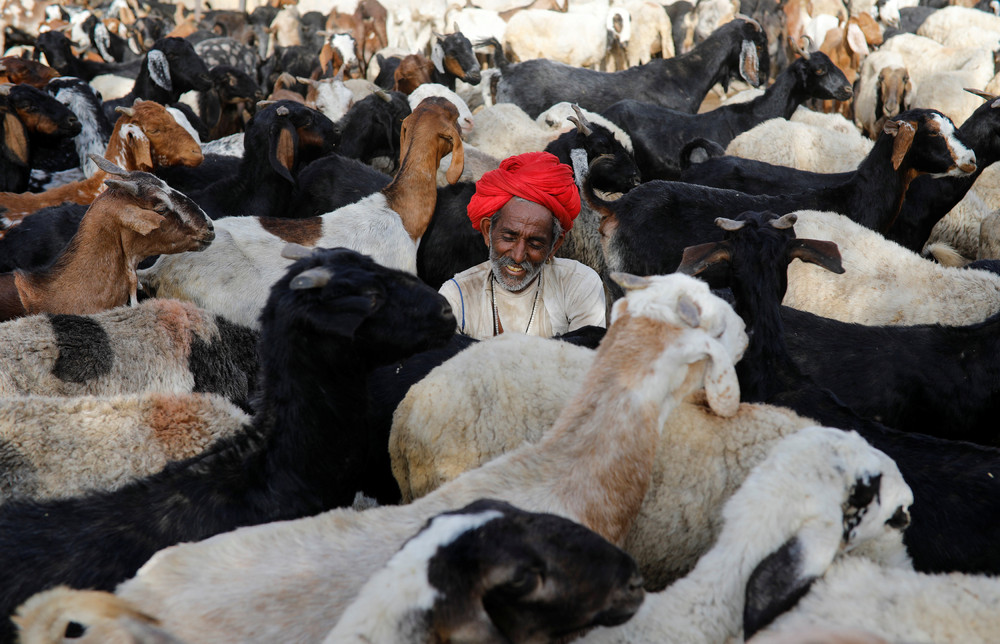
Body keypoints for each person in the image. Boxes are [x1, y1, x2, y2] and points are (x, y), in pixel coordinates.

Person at [439, 151, 606, 339]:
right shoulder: (458, 295)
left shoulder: (579, 284)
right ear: (488, 231)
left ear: (555, 245)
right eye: (509, 238)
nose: (518, 256)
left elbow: (583, 364)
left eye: (535, 244)